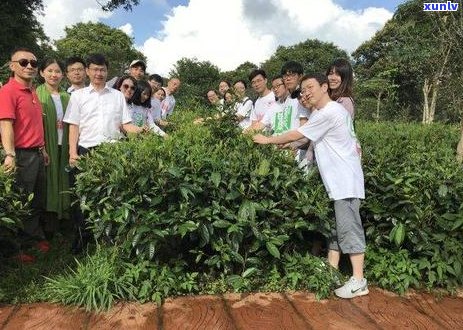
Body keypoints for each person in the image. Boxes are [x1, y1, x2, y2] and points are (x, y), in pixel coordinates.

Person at [253, 73, 367, 299]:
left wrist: (267, 140)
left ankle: (358, 280)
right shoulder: (332, 112)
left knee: (349, 228)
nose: (306, 92)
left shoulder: (330, 112)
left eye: (310, 87)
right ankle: (336, 271)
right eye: (303, 89)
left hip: (344, 182)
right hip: (341, 180)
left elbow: (299, 132)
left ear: (324, 87)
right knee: (338, 228)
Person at [63, 54, 144, 253]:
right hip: (86, 151)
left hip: (112, 152)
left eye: (103, 70)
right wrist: (73, 153)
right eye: (95, 69)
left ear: (107, 72)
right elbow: (74, 126)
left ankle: (108, 240)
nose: (99, 73)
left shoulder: (117, 96)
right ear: (88, 71)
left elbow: (126, 125)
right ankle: (82, 238)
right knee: (82, 197)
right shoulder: (78, 96)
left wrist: (145, 131)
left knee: (112, 196)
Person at [0, 48, 49, 261]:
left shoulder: (33, 92)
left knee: (36, 199)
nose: (29, 65)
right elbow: (6, 124)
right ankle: (13, 249)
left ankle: (32, 239)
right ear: (12, 66)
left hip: (36, 154)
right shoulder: (8, 92)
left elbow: (35, 125)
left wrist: (43, 149)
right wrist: (10, 154)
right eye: (23, 62)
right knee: (19, 203)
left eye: (33, 62)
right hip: (20, 155)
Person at [36, 58, 71, 232]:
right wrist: (42, 148)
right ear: (42, 73)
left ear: (63, 75)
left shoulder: (67, 97)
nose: (53, 74)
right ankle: (47, 222)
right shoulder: (36, 94)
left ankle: (63, 217)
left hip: (63, 145)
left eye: (57, 71)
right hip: (45, 146)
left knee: (63, 178)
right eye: (49, 70)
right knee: (47, 182)